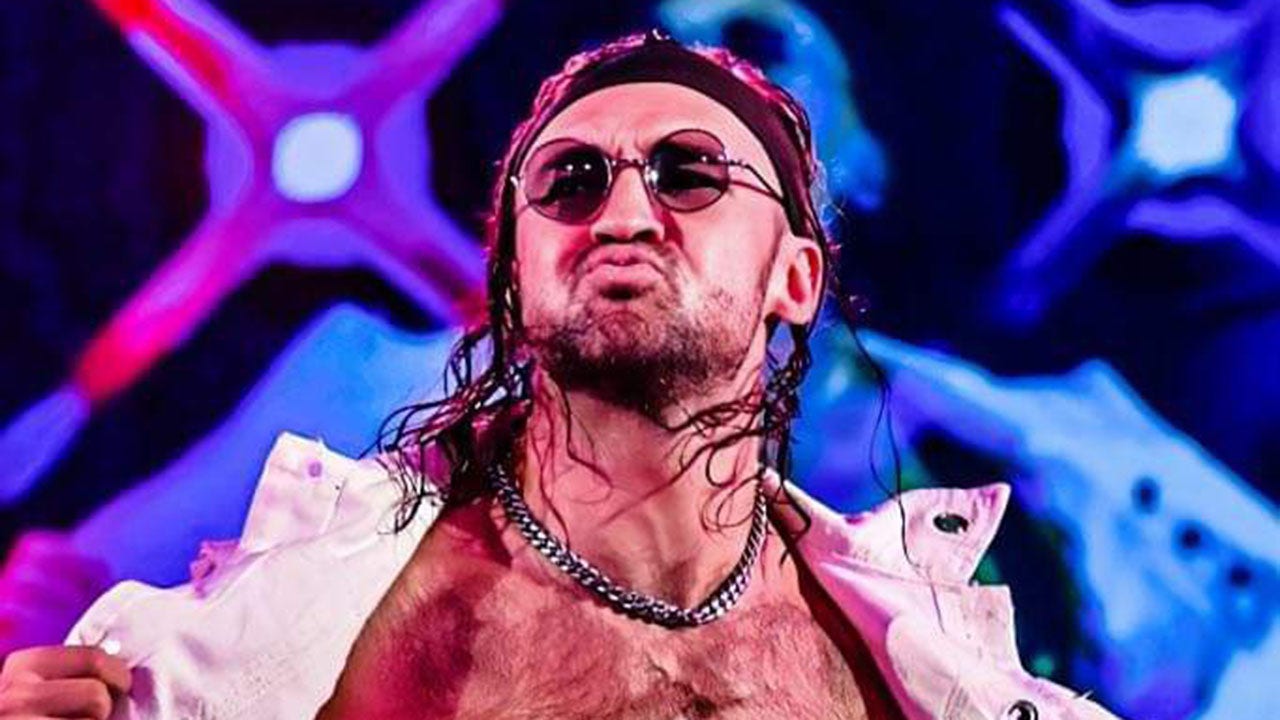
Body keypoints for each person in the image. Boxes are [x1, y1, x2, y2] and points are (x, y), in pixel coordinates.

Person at [0, 32, 1119, 719]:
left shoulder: (922, 656)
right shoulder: (337, 616)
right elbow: (56, 595)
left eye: (689, 173)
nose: (622, 214)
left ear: (796, 276)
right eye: (571, 181)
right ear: (511, 279)